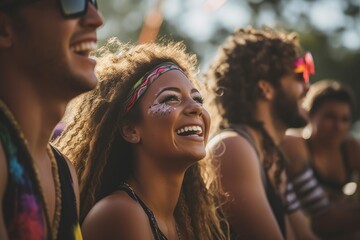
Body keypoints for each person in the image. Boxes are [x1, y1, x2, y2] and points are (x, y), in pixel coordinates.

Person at [55, 39, 228, 240]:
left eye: (198, 99)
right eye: (170, 98)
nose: (196, 108)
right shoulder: (120, 214)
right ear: (130, 130)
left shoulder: (185, 220)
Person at [0, 0, 103, 239]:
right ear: (4, 27)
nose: (97, 19)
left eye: (93, 2)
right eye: (72, 2)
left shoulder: (63, 170)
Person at [205, 26, 318, 239]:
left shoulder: (271, 157)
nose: (308, 86)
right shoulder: (232, 148)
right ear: (266, 88)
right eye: (300, 74)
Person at [281, 79, 360, 239]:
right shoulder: (293, 144)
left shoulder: (350, 147)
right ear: (309, 114)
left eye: (345, 119)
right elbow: (321, 217)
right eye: (330, 117)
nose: (339, 126)